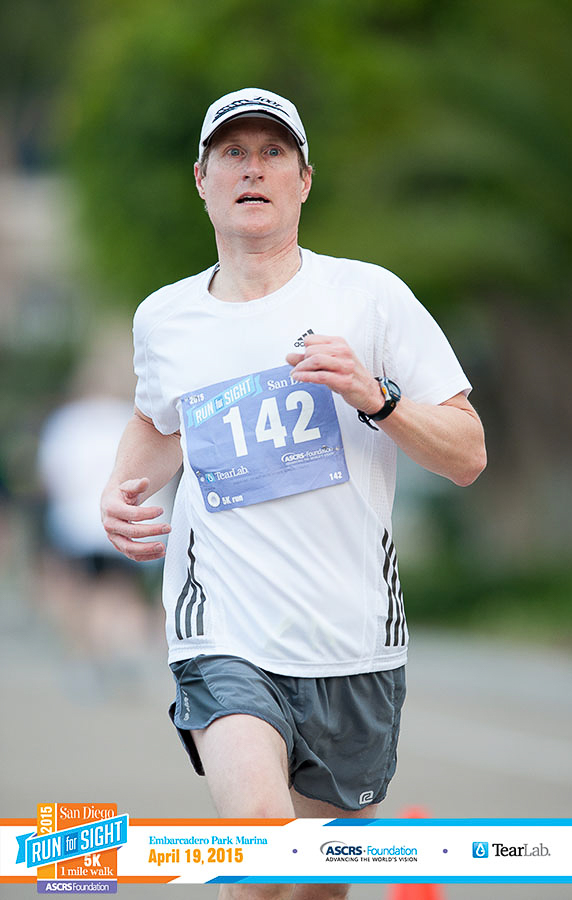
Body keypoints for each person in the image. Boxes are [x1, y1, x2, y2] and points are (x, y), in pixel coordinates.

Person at [101, 87, 486, 899]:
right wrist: (119, 493)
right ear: (201, 179)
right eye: (232, 154)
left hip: (353, 640)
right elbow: (158, 420)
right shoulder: (165, 318)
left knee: (319, 882)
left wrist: (374, 396)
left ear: (303, 180)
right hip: (224, 630)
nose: (253, 169)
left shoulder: (367, 298)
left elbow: (466, 454)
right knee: (265, 851)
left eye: (273, 153)